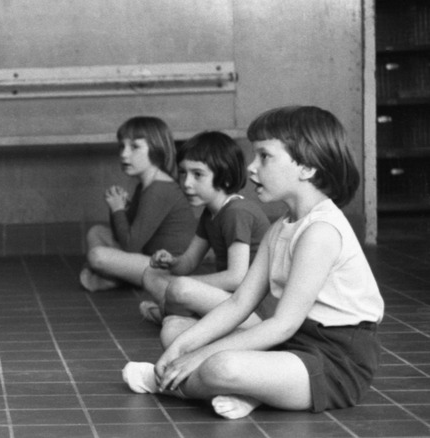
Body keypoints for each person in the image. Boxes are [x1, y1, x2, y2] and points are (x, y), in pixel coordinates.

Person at [122, 106, 384, 420]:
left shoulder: (321, 231)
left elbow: (283, 323)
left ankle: (166, 384)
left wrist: (198, 357)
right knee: (175, 333)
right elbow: (239, 303)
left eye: (264, 156)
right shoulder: (280, 227)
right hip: (291, 344)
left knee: (220, 366)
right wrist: (182, 348)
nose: (251, 167)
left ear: (307, 167)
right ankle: (255, 393)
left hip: (334, 361)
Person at [136, 131, 270, 343]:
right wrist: (172, 262)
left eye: (198, 175)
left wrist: (181, 284)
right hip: (232, 300)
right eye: (183, 173)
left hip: (254, 308)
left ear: (225, 177)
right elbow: (188, 262)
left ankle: (171, 314)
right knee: (151, 276)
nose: (187, 183)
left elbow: (237, 277)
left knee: (180, 289)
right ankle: (178, 316)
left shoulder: (237, 212)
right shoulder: (210, 213)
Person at [79, 116, 196, 292]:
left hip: (168, 269)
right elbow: (123, 234)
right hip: (147, 256)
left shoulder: (159, 189)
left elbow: (130, 245)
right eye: (122, 146)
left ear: (156, 149)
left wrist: (118, 209)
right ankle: (121, 277)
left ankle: (118, 278)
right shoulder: (145, 185)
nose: (124, 154)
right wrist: (118, 208)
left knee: (97, 255)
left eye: (134, 147)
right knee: (96, 232)